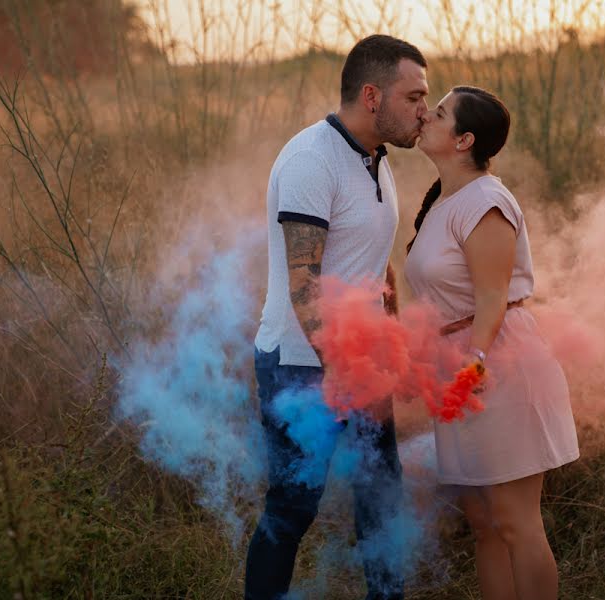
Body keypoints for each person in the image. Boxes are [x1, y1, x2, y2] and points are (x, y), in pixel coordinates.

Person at [246, 35, 429, 600]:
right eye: (414, 95)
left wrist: (391, 325)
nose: (426, 108)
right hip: (302, 364)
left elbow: (368, 256)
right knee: (294, 506)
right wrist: (346, 375)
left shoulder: (377, 157)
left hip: (363, 362)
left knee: (381, 501)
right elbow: (307, 286)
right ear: (372, 96)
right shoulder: (311, 160)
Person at [403, 86, 580, 600]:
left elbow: (492, 295)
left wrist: (475, 362)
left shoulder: (486, 200)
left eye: (437, 114)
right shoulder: (444, 202)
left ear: (463, 140)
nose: (423, 117)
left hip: (498, 367)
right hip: (459, 371)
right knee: (482, 521)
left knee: (515, 520)